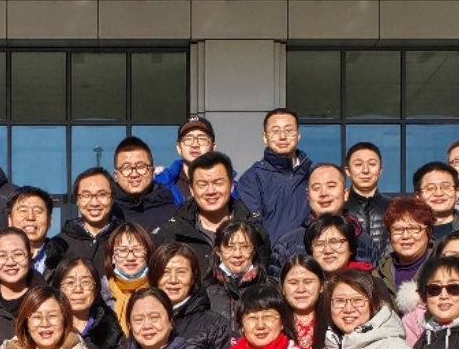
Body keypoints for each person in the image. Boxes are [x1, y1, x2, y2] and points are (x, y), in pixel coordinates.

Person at [157, 152, 266, 275]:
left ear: (231, 186)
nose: (211, 191)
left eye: (218, 183)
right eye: (202, 185)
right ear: (191, 189)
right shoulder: (171, 235)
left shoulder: (255, 231)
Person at [239, 109, 314, 261]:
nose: (282, 136)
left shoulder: (313, 176)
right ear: (265, 137)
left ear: (298, 135)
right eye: (275, 131)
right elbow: (251, 228)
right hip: (271, 263)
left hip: (310, 264)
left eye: (289, 130)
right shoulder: (252, 178)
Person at [150, 241, 233, 349]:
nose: (173, 280)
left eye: (181, 272)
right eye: (165, 272)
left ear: (193, 277)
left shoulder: (216, 326)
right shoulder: (143, 321)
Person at [0, 187, 64, 287]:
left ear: (50, 221)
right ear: (9, 220)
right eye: (23, 210)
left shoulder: (63, 265)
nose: (30, 217)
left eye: (38, 211)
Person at [278, 164, 371, 267]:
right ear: (308, 196)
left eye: (331, 186)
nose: (323, 193)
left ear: (345, 194)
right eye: (316, 188)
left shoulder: (365, 241)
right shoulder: (288, 244)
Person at [52, 257, 125, 349]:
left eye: (85, 282)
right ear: (58, 289)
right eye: (70, 283)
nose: (78, 289)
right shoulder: (47, 333)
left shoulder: (114, 337)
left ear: (96, 289)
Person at [376, 198, 436, 313]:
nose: (406, 236)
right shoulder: (378, 274)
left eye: (414, 229)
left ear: (429, 232)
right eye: (398, 230)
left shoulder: (443, 267)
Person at [413, 161, 459, 249]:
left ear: (457, 193)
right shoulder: (408, 235)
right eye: (430, 188)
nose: (439, 193)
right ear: (418, 196)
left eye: (446, 187)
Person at [112, 137, 179, 233]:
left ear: (152, 171)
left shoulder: (172, 212)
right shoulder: (108, 213)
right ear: (116, 175)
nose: (134, 174)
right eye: (126, 168)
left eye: (141, 166)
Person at [208, 219, 267, 327]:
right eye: (229, 247)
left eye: (245, 247)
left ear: (254, 251)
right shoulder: (205, 294)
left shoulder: (269, 290)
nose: (237, 254)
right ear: (218, 251)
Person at [58, 168, 121, 267]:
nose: (94, 203)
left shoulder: (126, 238)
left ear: (112, 199)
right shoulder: (61, 243)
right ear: (77, 200)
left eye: (102, 194)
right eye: (86, 195)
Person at [101, 222, 157, 333]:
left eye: (137, 250)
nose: (130, 257)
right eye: (122, 251)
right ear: (112, 257)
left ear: (148, 255)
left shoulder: (160, 289)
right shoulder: (99, 293)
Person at [157, 115, 216, 204]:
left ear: (213, 147)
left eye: (202, 139)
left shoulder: (230, 188)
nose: (195, 144)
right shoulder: (161, 184)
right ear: (178, 148)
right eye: (188, 139)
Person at [344, 142, 390, 255]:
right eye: (358, 164)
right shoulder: (340, 208)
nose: (365, 170)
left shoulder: (394, 207)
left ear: (380, 170)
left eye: (372, 164)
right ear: (348, 171)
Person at [280, 256, 325, 349]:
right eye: (293, 283)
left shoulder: (334, 323)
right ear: (283, 288)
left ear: (321, 286)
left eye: (308, 282)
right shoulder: (274, 325)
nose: (301, 289)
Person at [304, 212, 369, 276]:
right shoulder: (302, 280)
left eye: (334, 242)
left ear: (351, 247)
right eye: (319, 244)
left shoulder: (367, 281)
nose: (328, 250)